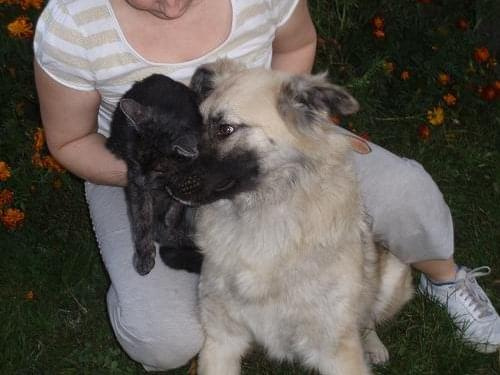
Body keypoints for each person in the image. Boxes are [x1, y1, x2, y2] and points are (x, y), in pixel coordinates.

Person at [33, 0, 499, 370]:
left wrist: (296, 118)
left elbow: (296, 46)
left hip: (269, 137)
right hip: (134, 169)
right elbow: (71, 139)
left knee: (404, 191)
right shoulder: (73, 25)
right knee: (160, 340)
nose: (172, 5)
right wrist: (155, 175)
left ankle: (445, 279)